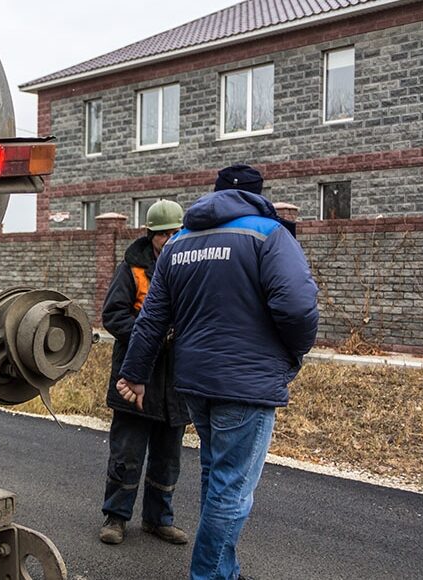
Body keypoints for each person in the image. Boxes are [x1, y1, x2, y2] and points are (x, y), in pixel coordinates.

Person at [116, 164, 319, 580]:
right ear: (258, 194)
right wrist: (293, 354)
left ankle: (223, 569)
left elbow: (152, 317)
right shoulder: (268, 235)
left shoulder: (180, 242)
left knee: (217, 477)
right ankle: (208, 575)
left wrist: (135, 373)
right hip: (244, 383)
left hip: (195, 383)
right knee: (233, 491)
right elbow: (297, 307)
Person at [98, 199, 191, 546]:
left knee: (168, 459)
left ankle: (158, 519)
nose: (169, 239)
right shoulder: (133, 269)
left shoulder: (189, 267)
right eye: (163, 234)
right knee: (127, 454)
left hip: (175, 384)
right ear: (150, 235)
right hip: (135, 377)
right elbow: (113, 316)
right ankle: (116, 517)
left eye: (175, 232)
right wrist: (150, 334)